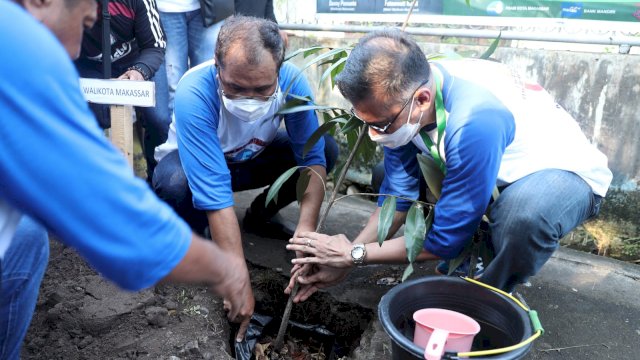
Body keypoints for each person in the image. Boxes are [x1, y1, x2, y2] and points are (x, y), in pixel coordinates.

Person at [0, 1, 252, 358]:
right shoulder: (20, 47)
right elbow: (112, 217)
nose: (75, 50)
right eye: (84, 23)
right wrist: (226, 269)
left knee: (27, 236)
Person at [285, 29, 612, 302]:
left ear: (423, 100)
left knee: (523, 218)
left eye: (381, 124)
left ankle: (490, 296)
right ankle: (477, 251)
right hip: (490, 168)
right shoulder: (404, 97)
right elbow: (399, 195)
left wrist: (354, 255)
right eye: (365, 122)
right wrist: (348, 255)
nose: (373, 134)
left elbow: (445, 242)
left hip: (559, 175)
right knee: (386, 173)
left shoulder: (473, 119)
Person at [152, 14, 338, 279]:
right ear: (217, 66)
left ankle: (261, 215)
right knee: (175, 184)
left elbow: (312, 159)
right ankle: (196, 233)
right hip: (195, 168)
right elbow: (212, 187)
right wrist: (236, 276)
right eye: (235, 87)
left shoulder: (292, 82)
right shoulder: (194, 90)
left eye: (262, 89)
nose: (248, 99)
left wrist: (305, 232)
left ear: (279, 69)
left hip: (250, 161)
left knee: (326, 148)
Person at [74, 0, 171, 179]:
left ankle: (158, 178)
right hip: (90, 66)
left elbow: (154, 45)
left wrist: (139, 71)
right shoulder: (65, 6)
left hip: (138, 60)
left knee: (159, 120)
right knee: (92, 122)